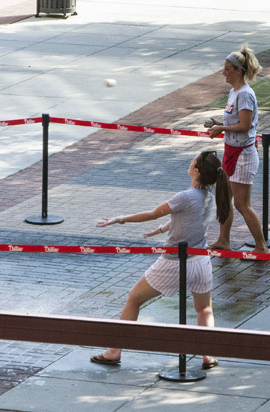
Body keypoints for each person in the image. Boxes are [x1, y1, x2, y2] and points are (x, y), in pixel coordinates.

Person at [90, 150, 231, 369]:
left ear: (196, 171)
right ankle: (208, 355)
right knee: (204, 309)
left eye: (192, 161)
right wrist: (160, 229)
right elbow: (186, 218)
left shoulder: (185, 196)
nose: (190, 162)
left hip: (173, 263)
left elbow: (154, 212)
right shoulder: (211, 195)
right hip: (201, 262)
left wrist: (120, 219)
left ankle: (114, 351)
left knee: (134, 299)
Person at [205, 46, 269, 254]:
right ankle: (224, 240)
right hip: (233, 152)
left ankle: (261, 246)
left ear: (238, 70)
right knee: (226, 199)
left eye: (227, 69)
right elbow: (235, 122)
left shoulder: (245, 95)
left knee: (242, 204)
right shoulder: (234, 92)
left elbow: (245, 125)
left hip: (243, 155)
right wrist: (218, 123)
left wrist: (222, 128)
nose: (223, 73)